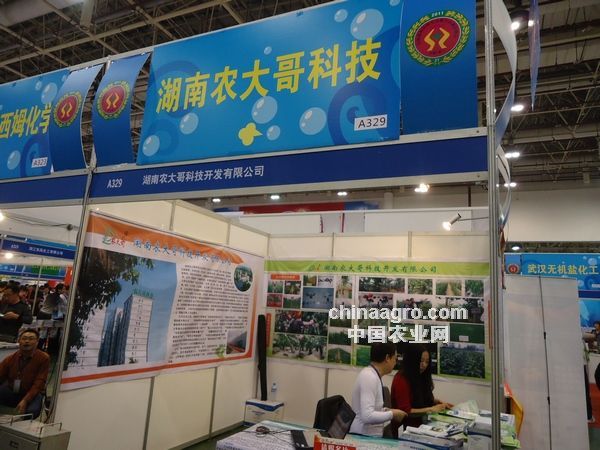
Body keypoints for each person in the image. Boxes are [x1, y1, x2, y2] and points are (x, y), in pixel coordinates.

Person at [390, 344, 452, 436]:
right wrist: (431, 409)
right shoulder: (401, 379)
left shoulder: (421, 376)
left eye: (427, 362)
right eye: (421, 361)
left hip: (422, 425)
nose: (424, 365)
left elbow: (419, 398)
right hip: (405, 430)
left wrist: (438, 402)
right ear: (412, 360)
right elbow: (405, 411)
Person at [349, 342, 407, 437]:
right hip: (362, 436)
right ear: (387, 358)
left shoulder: (373, 375)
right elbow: (367, 416)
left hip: (370, 435)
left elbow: (372, 409)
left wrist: (385, 410)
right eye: (395, 358)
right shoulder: (369, 377)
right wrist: (392, 414)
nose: (395, 362)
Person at [0, 328, 49, 418]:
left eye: (31, 339)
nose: (27, 341)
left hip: (32, 393)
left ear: (37, 342)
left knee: (31, 412)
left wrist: (26, 400)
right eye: (24, 338)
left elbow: (39, 383)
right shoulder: (11, 358)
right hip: (12, 390)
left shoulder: (44, 358)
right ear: (19, 341)